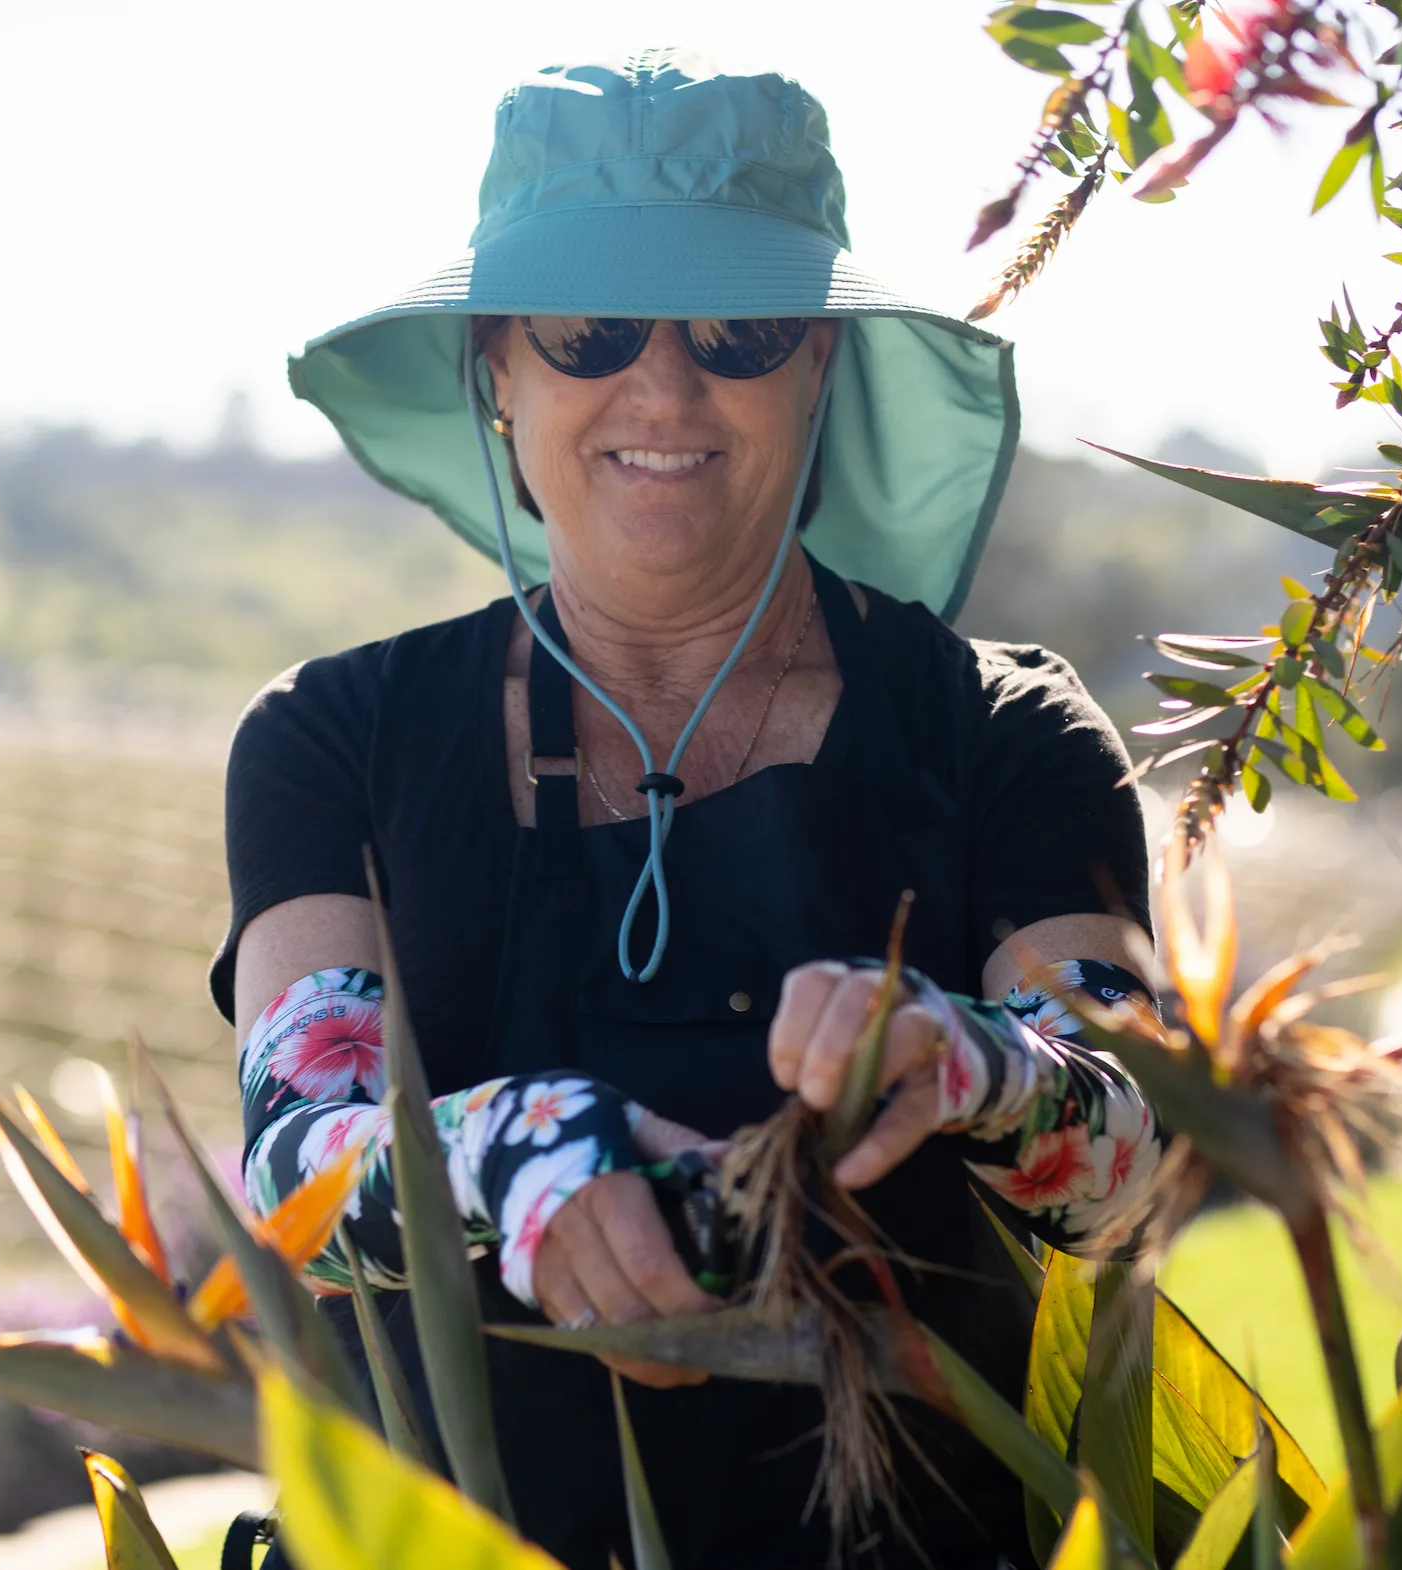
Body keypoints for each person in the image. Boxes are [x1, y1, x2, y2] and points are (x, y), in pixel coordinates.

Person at [212, 50, 1165, 1570]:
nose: (662, 385)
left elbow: (1134, 1157)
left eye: (737, 327)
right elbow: (299, 1163)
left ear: (817, 369)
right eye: (590, 328)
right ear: (497, 373)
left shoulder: (1008, 733)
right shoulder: (332, 743)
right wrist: (522, 1152)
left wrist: (973, 1065)